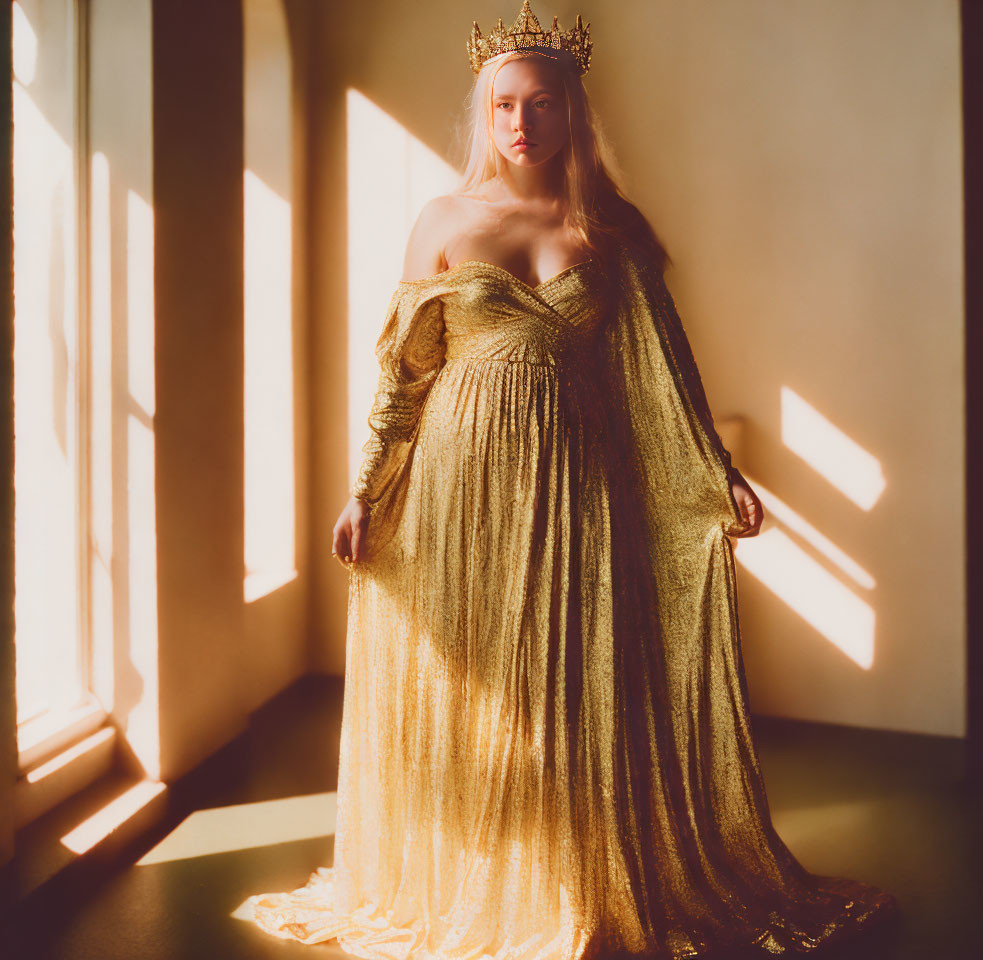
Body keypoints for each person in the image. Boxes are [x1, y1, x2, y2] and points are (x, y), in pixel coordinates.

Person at [244, 3, 897, 957]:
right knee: (477, 688)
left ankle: (574, 888)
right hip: (456, 490)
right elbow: (405, 372)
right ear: (485, 113)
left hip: (577, 487)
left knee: (570, 680)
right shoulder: (442, 220)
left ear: (572, 114)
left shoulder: (612, 229)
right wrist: (368, 488)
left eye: (540, 105)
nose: (520, 124)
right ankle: (473, 875)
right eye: (505, 105)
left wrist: (716, 479)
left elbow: (664, 370)